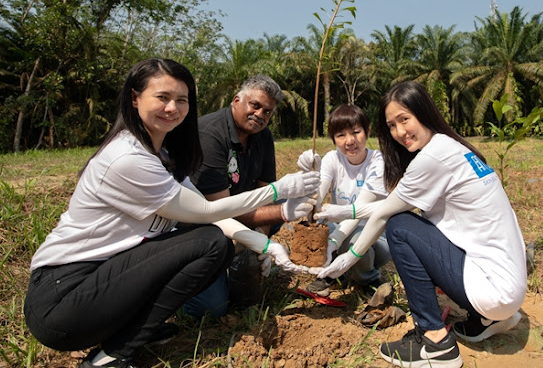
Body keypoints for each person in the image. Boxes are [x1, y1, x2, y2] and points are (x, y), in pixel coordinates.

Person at [23, 59, 320, 368]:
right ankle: (112, 356)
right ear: (135, 98)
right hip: (62, 301)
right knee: (210, 242)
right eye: (162, 97)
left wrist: (267, 245)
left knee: (212, 241)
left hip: (99, 281)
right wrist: (279, 193)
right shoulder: (128, 158)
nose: (172, 108)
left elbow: (211, 214)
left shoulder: (163, 156)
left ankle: (133, 328)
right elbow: (207, 210)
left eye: (181, 100)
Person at [313, 81, 526, 368]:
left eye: (404, 119)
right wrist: (338, 214)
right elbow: (383, 205)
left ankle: (435, 341)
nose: (399, 132)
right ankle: (487, 318)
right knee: (409, 221)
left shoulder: (432, 157)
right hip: (507, 284)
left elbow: (385, 213)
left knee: (400, 226)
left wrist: (347, 258)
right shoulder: (451, 146)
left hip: (494, 289)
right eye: (391, 125)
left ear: (422, 113)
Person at [186, 75, 315, 318]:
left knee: (273, 209)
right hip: (202, 224)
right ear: (236, 101)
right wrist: (282, 214)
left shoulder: (263, 136)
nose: (260, 114)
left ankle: (243, 259)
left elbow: (265, 191)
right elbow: (218, 209)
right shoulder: (210, 135)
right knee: (210, 310)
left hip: (243, 212)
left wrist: (260, 242)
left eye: (267, 111)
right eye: (254, 105)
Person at [297, 104, 391, 297]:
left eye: (356, 132)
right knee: (320, 231)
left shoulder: (378, 162)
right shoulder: (332, 159)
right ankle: (333, 272)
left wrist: (334, 241)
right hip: (339, 229)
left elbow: (357, 212)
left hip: (374, 236)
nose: (349, 141)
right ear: (333, 139)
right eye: (341, 135)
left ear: (367, 131)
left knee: (352, 240)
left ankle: (369, 279)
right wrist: (311, 176)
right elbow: (317, 199)